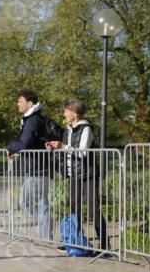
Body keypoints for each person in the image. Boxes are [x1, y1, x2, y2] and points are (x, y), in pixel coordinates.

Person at [46, 99, 107, 252]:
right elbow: (67, 150)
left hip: (89, 174)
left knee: (93, 209)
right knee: (74, 208)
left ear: (74, 112)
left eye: (66, 111)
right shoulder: (68, 129)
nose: (64, 113)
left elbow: (83, 152)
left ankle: (105, 244)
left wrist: (63, 146)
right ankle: (75, 241)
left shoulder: (86, 128)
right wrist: (55, 148)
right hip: (74, 174)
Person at [6, 90, 52, 241]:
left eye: (20, 101)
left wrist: (10, 146)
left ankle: (46, 228)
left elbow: (24, 144)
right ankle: (46, 235)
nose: (17, 104)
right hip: (38, 167)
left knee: (25, 202)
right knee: (41, 203)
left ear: (30, 103)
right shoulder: (33, 120)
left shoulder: (32, 121)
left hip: (36, 169)